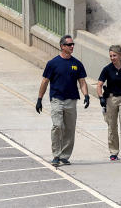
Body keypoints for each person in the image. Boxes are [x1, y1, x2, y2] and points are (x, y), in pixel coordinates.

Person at [36, 34, 89, 167]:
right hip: (57, 100)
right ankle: (56, 155)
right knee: (57, 126)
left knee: (70, 129)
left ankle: (65, 156)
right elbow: (45, 81)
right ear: (62, 46)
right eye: (69, 45)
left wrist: (86, 95)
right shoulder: (53, 63)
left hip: (72, 101)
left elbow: (82, 81)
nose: (72, 47)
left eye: (73, 45)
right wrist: (39, 99)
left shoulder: (77, 64)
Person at [97, 44, 121, 161]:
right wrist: (101, 97)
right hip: (111, 99)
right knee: (112, 126)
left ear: (120, 55)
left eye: (114, 55)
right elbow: (99, 84)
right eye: (110, 56)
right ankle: (114, 151)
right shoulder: (107, 69)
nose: (112, 58)